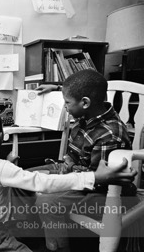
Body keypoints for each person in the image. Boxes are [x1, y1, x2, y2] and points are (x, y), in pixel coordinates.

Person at [0, 107, 136, 252]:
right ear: (1, 136)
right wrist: (94, 176)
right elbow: (42, 183)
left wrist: (6, 164)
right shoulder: (2, 169)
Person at [30, 69, 135, 251]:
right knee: (23, 178)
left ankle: (55, 247)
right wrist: (56, 87)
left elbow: (101, 181)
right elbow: (80, 89)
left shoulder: (110, 135)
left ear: (85, 103)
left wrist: (59, 181)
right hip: (76, 171)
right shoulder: (88, 112)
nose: (64, 106)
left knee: (47, 202)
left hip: (100, 190)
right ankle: (35, 238)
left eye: (67, 102)